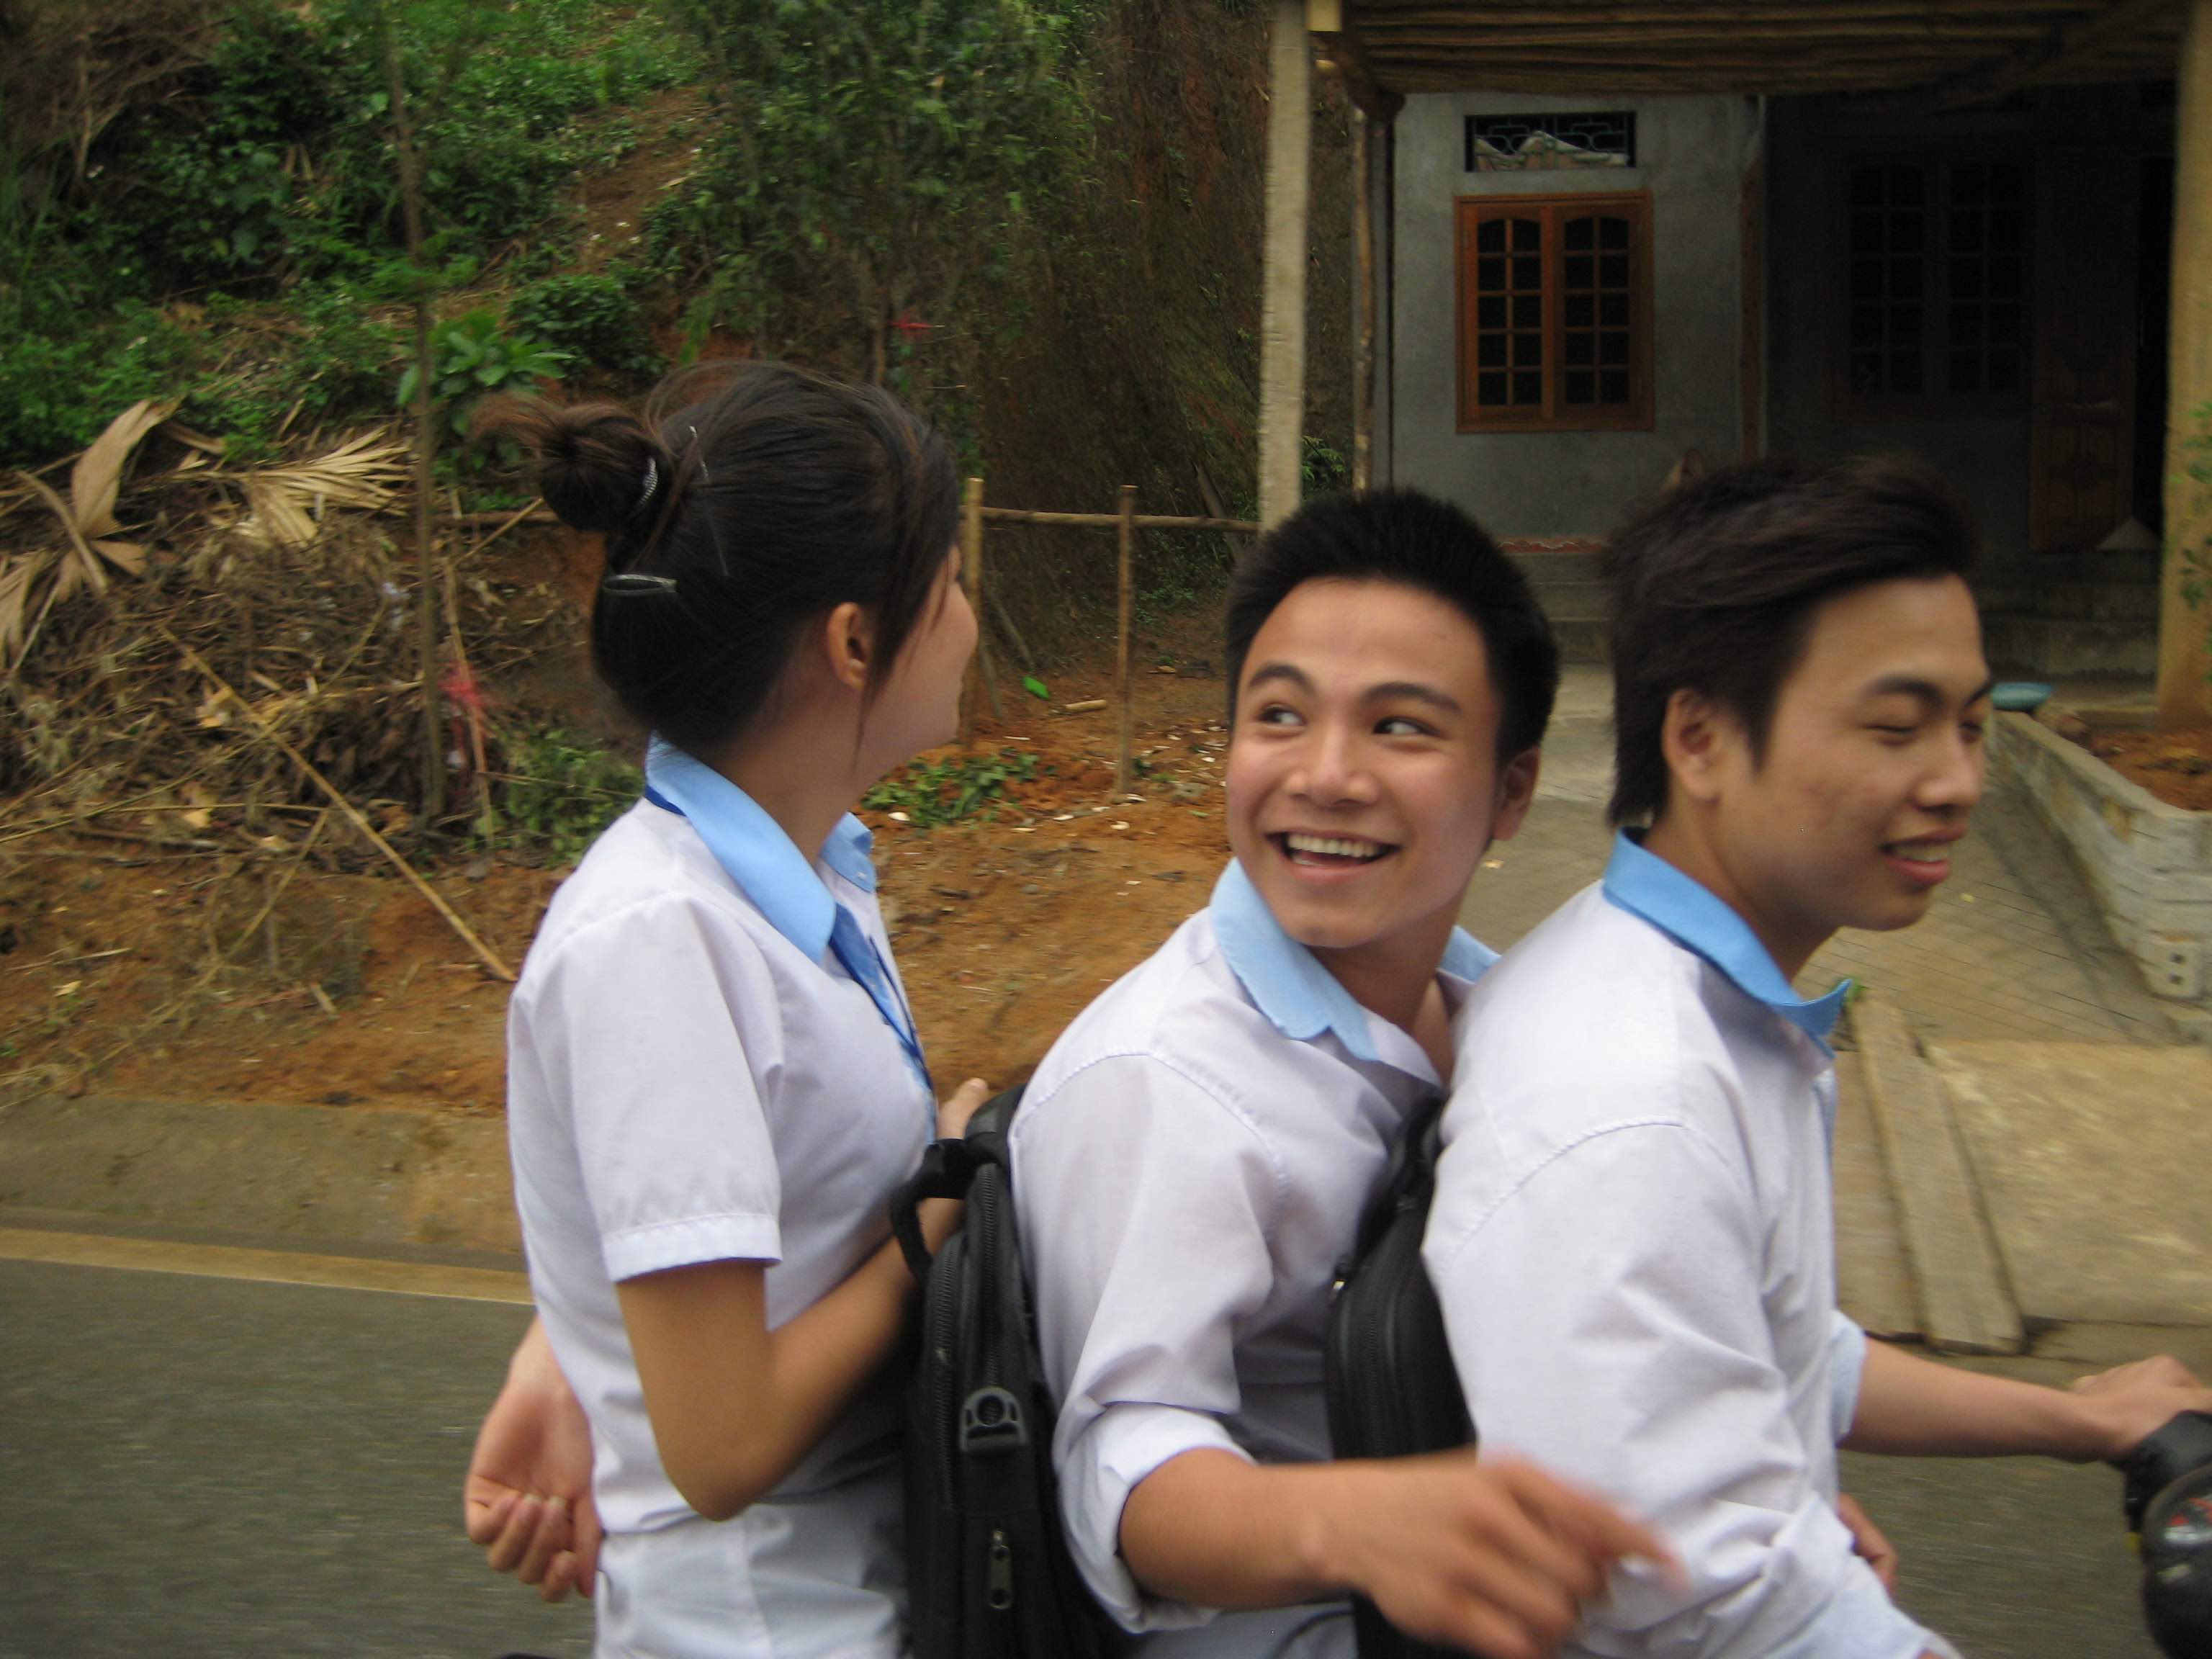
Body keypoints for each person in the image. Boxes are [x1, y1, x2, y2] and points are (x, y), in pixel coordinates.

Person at [1422, 457, 2212, 1659]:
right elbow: (1699, 1595)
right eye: (1896, 728)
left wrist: (2076, 1419)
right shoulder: (1632, 1099)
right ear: (1699, 738)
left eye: (1971, 725)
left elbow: (1774, 1339)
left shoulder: (1693, 1003)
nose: (1958, 782)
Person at [1010, 489, 1673, 1659]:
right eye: (1279, 715)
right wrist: (1367, 1526)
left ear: (1512, 791)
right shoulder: (1169, 1082)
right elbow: (1127, 1464)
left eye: (1400, 728)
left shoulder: (1503, 1013)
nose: (1325, 775)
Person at [467, 361, 992, 1659]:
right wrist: (938, 1212)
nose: (972, 621)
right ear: (854, 641)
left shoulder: (803, 874)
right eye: (951, 584)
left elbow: (732, 1210)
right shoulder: (661, 941)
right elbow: (721, 1446)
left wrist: (573, 1341)